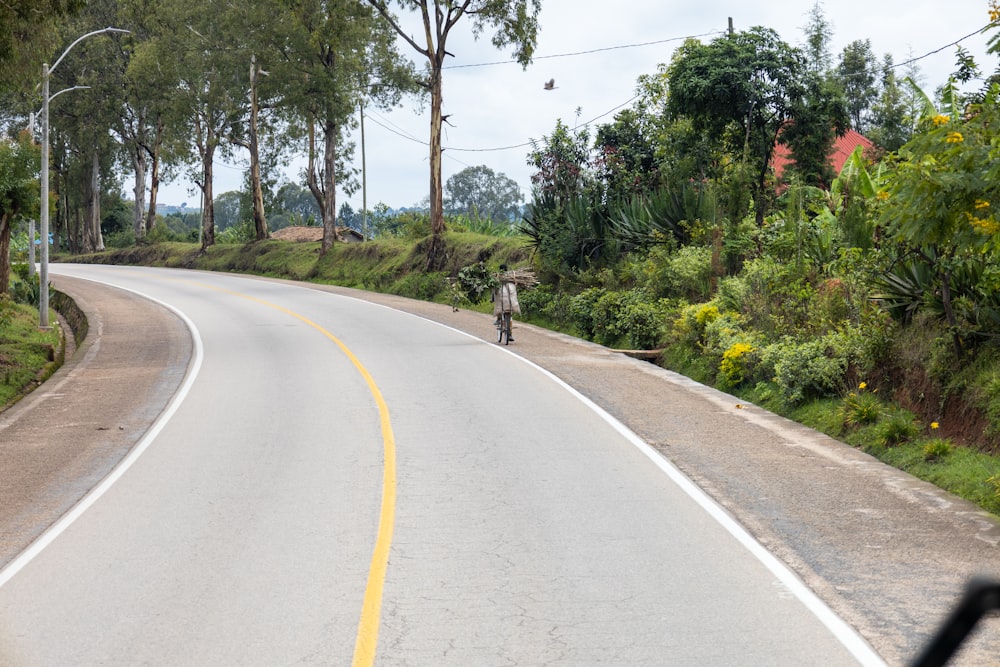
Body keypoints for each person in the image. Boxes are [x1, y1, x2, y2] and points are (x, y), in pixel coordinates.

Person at [491, 264, 520, 341]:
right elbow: (514, 287)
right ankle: (509, 334)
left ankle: (498, 319)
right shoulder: (511, 276)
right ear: (506, 269)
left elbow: (494, 290)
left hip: (502, 301)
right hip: (509, 302)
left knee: (499, 306)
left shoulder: (497, 276)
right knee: (510, 316)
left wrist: (492, 299)